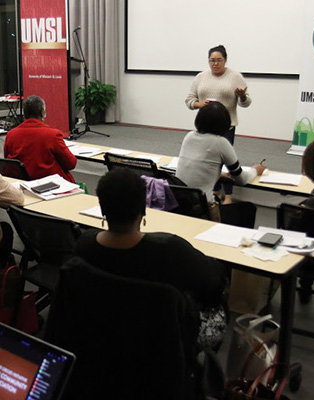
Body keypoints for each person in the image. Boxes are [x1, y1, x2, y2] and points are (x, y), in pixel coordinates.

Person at [74, 167, 227, 350]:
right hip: (164, 341)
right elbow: (214, 283)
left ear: (102, 208)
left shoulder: (84, 244)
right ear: (143, 209)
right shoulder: (170, 249)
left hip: (104, 329)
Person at [176, 102, 266, 221]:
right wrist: (255, 170)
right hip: (205, 211)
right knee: (248, 209)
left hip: (181, 206)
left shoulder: (189, 136)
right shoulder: (221, 143)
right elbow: (242, 179)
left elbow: (196, 168)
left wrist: (218, 175)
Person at [185, 45, 251, 204]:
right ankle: (214, 191)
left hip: (226, 127)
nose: (215, 63)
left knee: (227, 160)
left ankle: (228, 195)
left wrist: (242, 96)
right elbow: (189, 100)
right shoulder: (201, 77)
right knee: (208, 160)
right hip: (205, 126)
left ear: (225, 60)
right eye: (212, 60)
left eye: (219, 60)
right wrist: (200, 105)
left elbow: (246, 102)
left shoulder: (235, 76)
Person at [4, 95, 77, 183]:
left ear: (24, 114)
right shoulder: (53, 135)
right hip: (51, 184)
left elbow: (8, 163)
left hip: (22, 183)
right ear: (42, 113)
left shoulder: (11, 135)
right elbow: (71, 163)